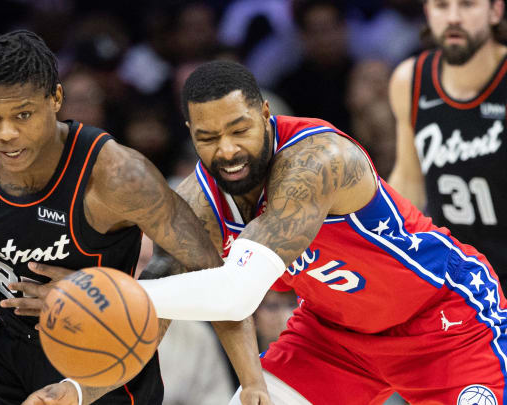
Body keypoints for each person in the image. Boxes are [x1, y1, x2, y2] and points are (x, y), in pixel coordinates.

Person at [0, 30, 270, 405]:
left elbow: (208, 271)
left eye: (23, 115)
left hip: (102, 358)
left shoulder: (118, 174)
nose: (5, 133)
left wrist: (252, 381)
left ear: (55, 98)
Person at [135, 60, 507, 404]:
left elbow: (234, 296)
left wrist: (123, 295)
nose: (228, 150)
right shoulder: (197, 203)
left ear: (265, 113)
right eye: (209, 137)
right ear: (190, 133)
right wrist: (81, 384)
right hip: (332, 336)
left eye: (240, 130)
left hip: (443, 320)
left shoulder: (318, 160)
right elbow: (145, 315)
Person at [388, 0, 507, 290]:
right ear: (428, 12)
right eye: (442, 6)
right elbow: (408, 181)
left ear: (495, 11)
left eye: (467, 5)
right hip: (452, 276)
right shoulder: (410, 79)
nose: (454, 18)